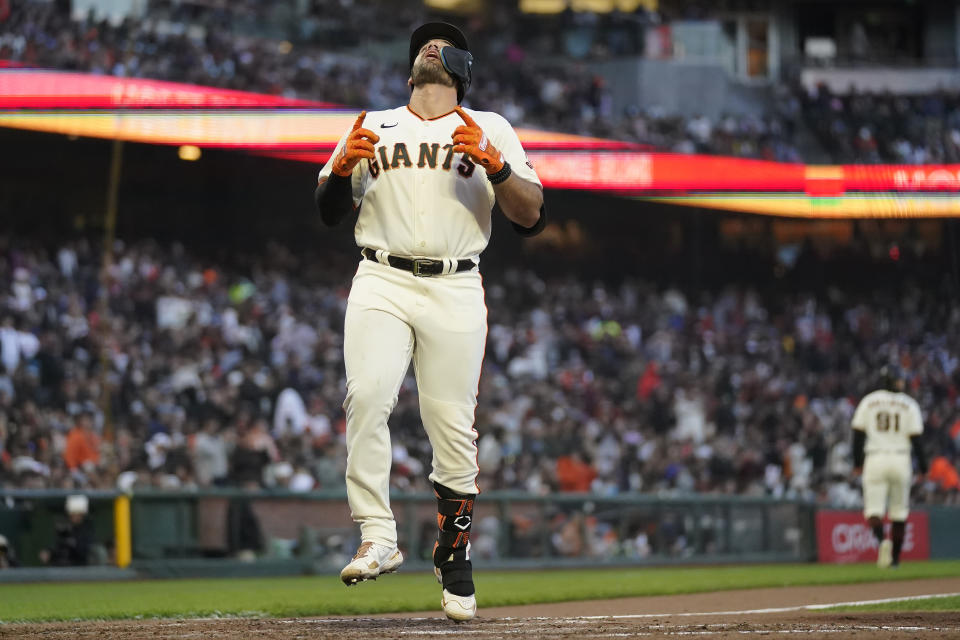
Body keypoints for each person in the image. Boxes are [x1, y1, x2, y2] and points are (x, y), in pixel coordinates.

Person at [314, 21, 545, 622]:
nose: (431, 47)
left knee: (451, 426)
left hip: (456, 283)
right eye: (423, 44)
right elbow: (328, 211)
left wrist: (496, 168)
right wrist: (341, 174)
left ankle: (455, 556)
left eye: (444, 45)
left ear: (463, 69)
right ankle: (377, 534)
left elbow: (531, 215)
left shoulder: (489, 127)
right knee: (366, 397)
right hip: (381, 275)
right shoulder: (372, 124)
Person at [851, 366, 927, 569]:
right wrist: (924, 467)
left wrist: (857, 463)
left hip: (874, 458)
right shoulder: (909, 404)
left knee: (874, 511)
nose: (901, 383)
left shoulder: (869, 401)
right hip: (901, 459)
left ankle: (881, 540)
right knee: (899, 512)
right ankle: (895, 559)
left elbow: (857, 436)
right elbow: (917, 440)